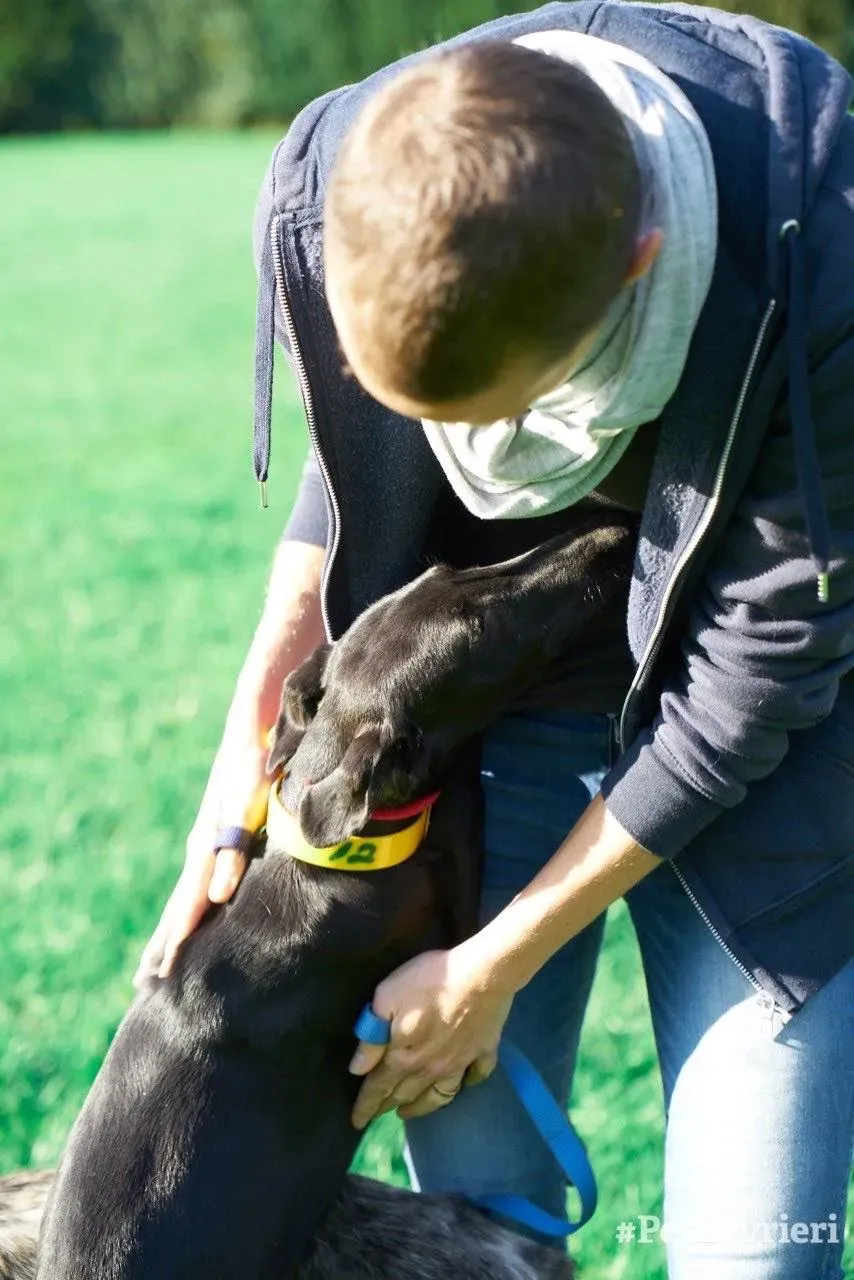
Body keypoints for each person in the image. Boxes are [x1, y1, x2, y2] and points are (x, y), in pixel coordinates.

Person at [136, 4, 854, 1276]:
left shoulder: (817, 231)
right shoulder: (346, 189)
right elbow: (345, 490)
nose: (471, 459)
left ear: (637, 267)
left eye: (499, 417)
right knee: (482, 1243)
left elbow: (754, 677)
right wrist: (238, 770)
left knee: (754, 1250)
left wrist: (490, 965)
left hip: (765, 756)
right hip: (480, 741)